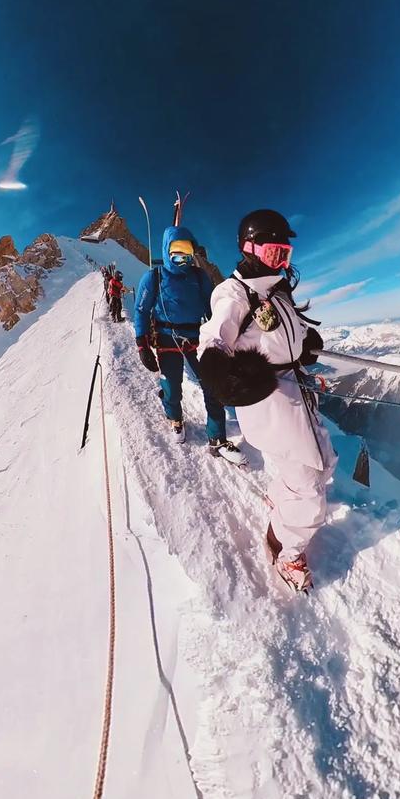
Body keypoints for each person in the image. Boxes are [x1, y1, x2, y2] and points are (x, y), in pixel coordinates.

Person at [196, 209, 336, 592]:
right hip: (269, 397)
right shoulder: (233, 292)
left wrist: (305, 344)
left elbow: (286, 332)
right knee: (309, 484)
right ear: (250, 248)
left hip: (294, 390)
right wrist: (220, 375)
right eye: (274, 253)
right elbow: (214, 338)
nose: (281, 262)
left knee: (321, 464)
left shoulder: (275, 291)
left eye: (285, 255)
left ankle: (281, 502)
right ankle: (287, 551)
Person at [134, 225, 246, 465]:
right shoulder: (153, 278)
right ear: (166, 251)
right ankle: (174, 417)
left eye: (187, 251)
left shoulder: (199, 277)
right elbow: (142, 310)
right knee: (172, 386)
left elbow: (212, 309)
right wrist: (142, 344)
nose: (182, 257)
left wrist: (225, 337)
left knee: (212, 384)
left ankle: (217, 438)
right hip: (166, 338)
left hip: (197, 337)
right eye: (176, 251)